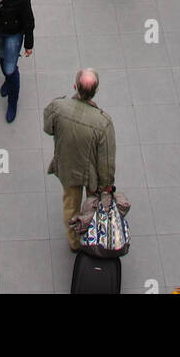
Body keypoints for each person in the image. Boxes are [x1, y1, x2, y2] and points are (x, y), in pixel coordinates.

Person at [44, 69, 116, 253]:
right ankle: (93, 232)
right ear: (96, 91)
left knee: (71, 206)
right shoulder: (103, 122)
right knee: (93, 204)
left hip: (68, 167)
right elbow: (106, 160)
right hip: (92, 173)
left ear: (74, 86)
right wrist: (106, 186)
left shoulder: (57, 107)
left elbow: (48, 128)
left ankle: (74, 241)